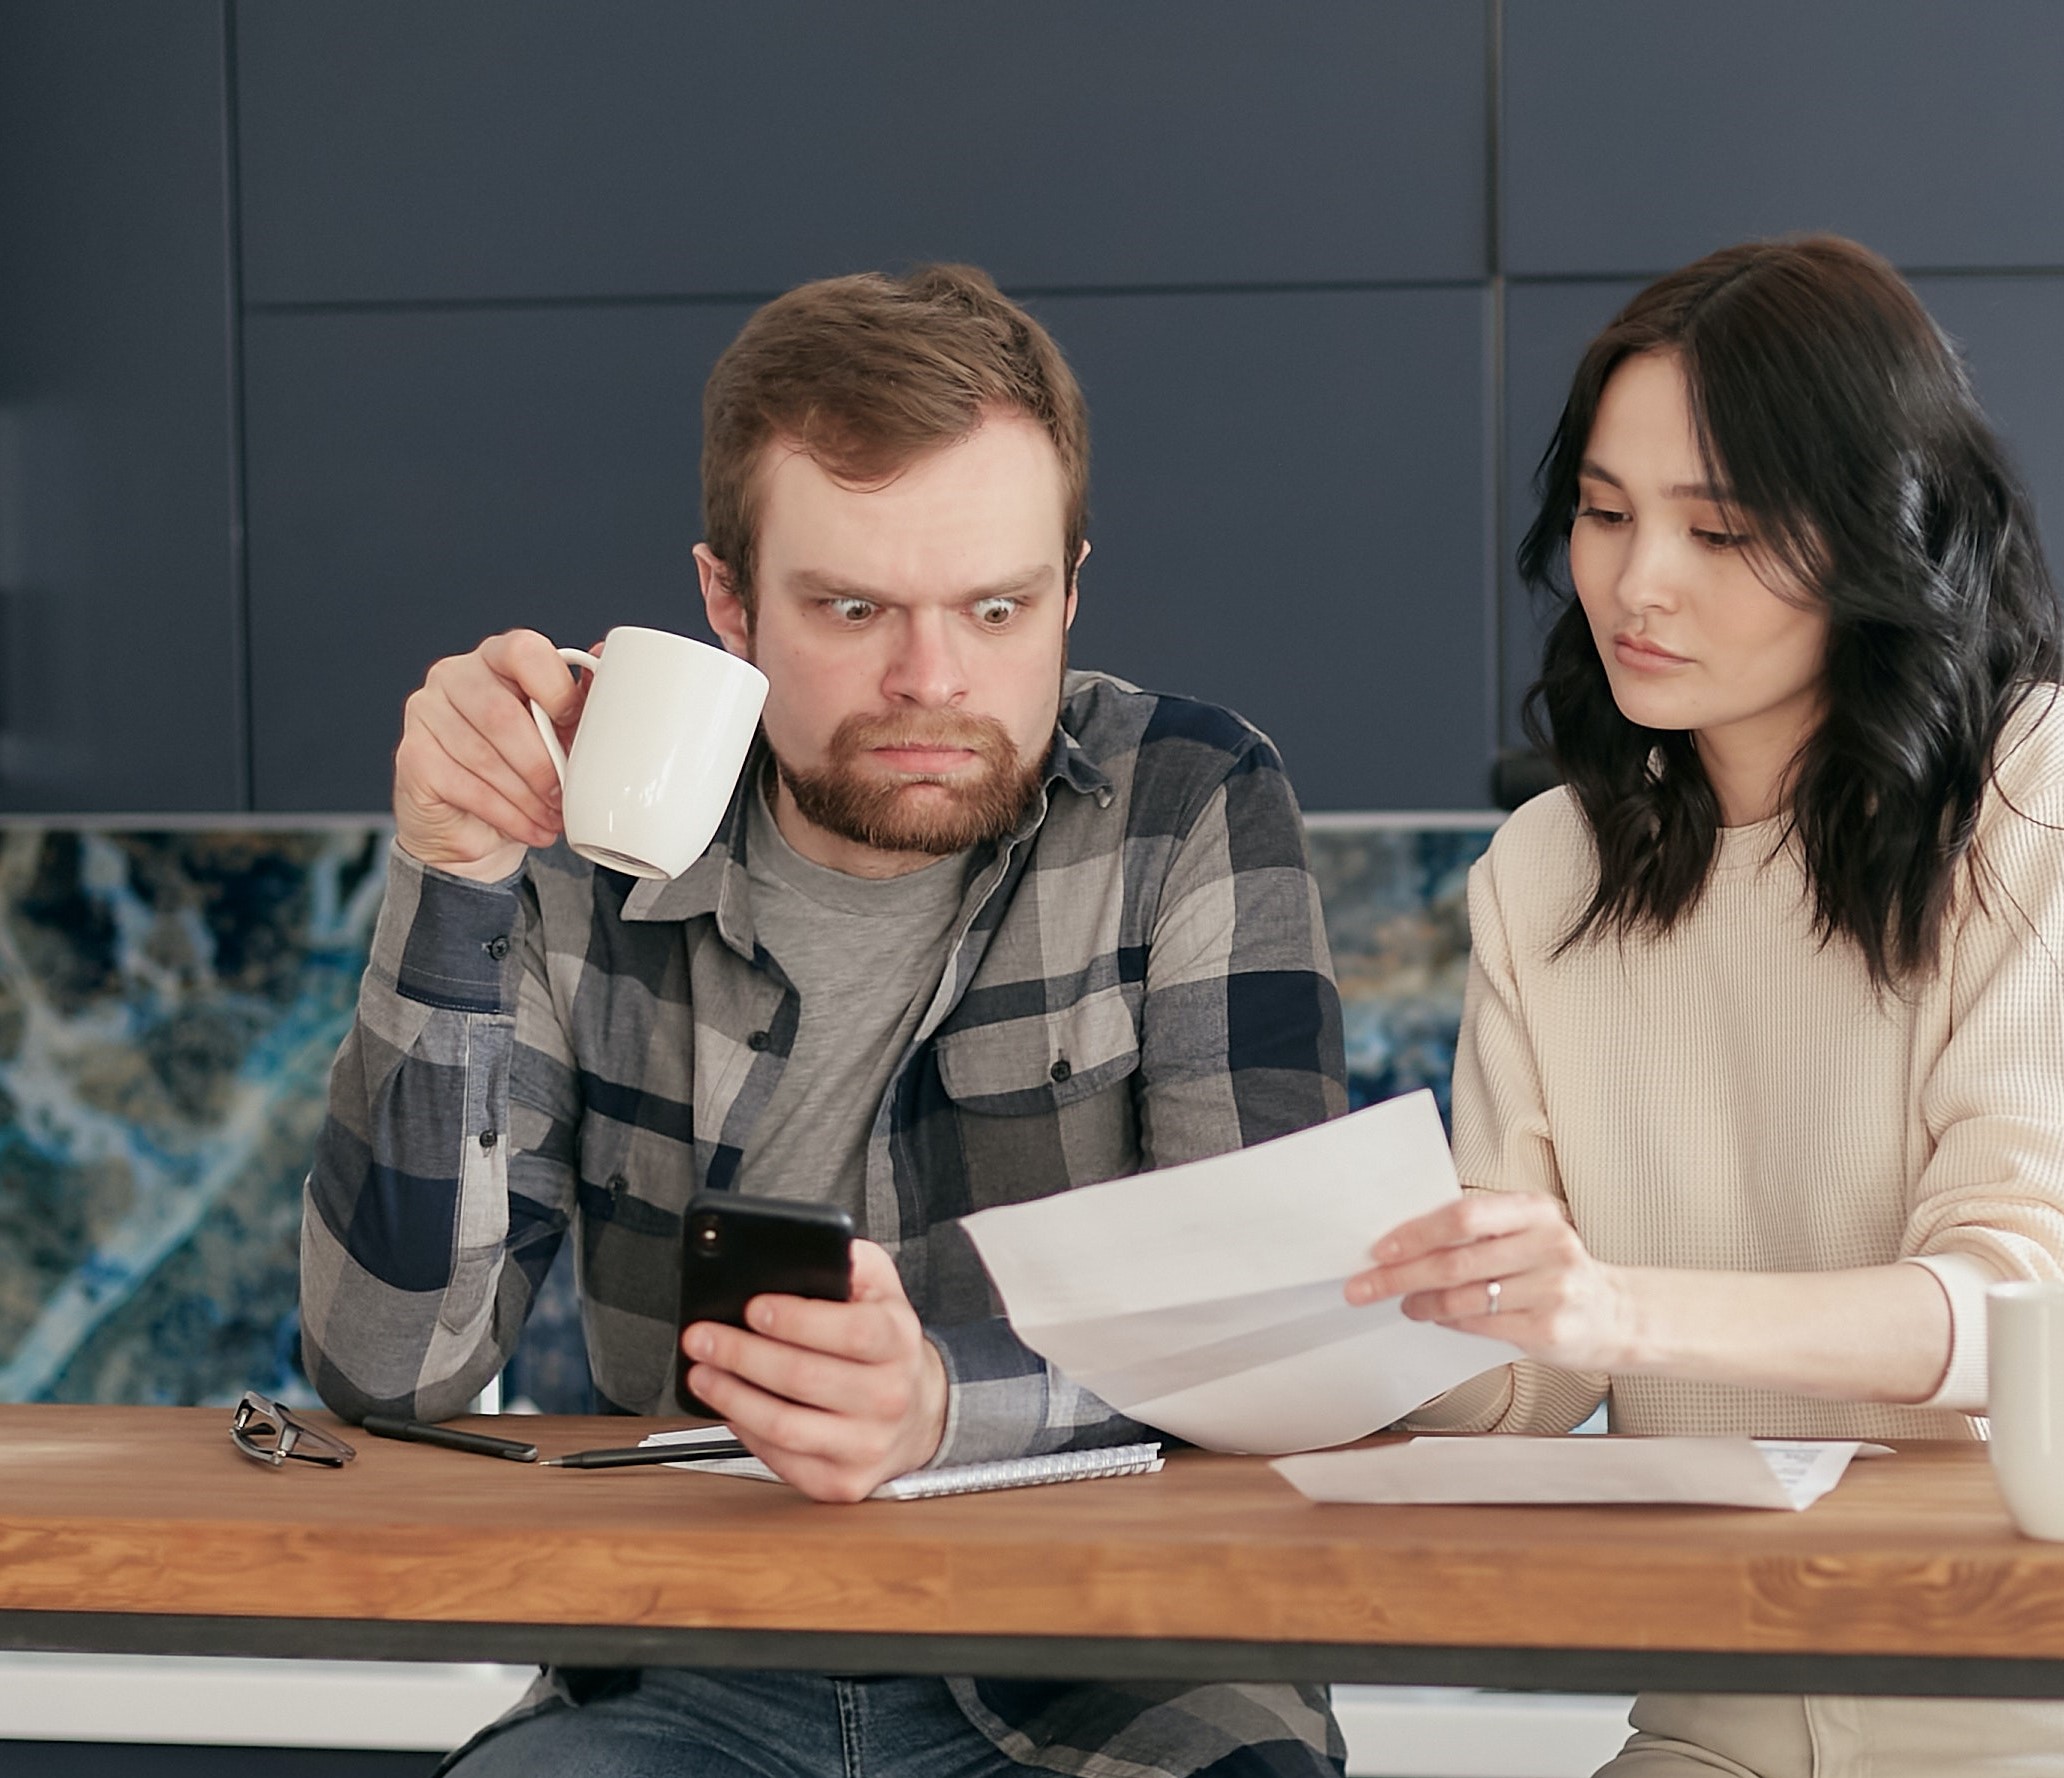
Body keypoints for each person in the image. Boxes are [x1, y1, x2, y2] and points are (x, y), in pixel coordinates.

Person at [301, 264, 1348, 1778]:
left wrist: (945, 1407)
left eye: (996, 608)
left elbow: (1274, 1331)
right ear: (727, 602)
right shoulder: (583, 833)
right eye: (853, 607)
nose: (932, 679)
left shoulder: (1186, 803)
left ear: (1071, 587)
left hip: (1122, 1667)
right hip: (691, 1662)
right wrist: (454, 874)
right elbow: (390, 1369)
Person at [1345, 237, 2064, 1776]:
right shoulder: (1545, 868)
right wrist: (1369, 1316)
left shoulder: (2034, 789)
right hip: (1727, 1699)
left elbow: (2023, 1296)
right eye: (1604, 511)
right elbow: (1526, 1379)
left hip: (2049, 1686)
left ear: (1872, 537)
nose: (1638, 583)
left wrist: (1615, 1301)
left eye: (1721, 530)